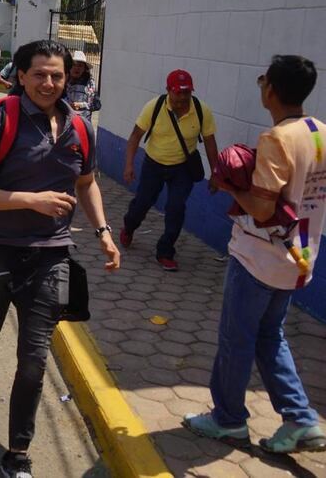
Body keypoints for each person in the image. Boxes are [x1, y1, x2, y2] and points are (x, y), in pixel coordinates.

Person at [0, 39, 120, 478]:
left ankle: (17, 455)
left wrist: (104, 232)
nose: (49, 83)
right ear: (21, 77)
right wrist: (31, 199)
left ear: (69, 78)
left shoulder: (80, 127)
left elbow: (86, 183)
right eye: (40, 75)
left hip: (51, 256)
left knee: (34, 360)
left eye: (57, 75)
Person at [183, 55, 326, 454]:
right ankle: (299, 418)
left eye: (264, 80)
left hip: (259, 258)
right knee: (269, 336)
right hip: (300, 257)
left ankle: (228, 420)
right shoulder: (320, 133)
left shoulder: (277, 138)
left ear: (271, 91)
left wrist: (228, 186)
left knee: (236, 339)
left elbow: (262, 209)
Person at [121, 70, 219, 272]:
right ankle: (129, 227)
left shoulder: (201, 110)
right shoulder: (154, 107)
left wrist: (216, 173)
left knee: (176, 208)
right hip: (154, 164)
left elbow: (210, 143)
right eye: (178, 93)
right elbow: (135, 136)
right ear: (168, 91)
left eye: (186, 93)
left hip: (183, 168)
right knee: (142, 204)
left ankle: (165, 251)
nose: (182, 98)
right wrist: (129, 165)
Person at [65, 50, 99, 120]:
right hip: (65, 123)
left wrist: (80, 105)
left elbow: (96, 105)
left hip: (83, 123)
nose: (77, 68)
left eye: (80, 65)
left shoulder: (89, 83)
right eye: (74, 65)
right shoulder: (63, 80)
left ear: (84, 68)